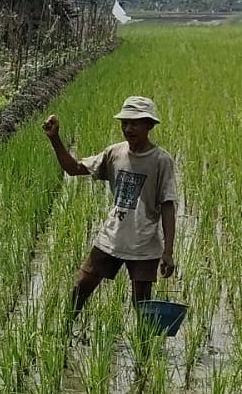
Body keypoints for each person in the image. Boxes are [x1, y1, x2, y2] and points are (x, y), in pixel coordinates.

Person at [44, 95, 178, 314]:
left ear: (150, 125)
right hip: (112, 237)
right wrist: (55, 139)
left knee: (142, 306)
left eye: (135, 123)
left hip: (144, 244)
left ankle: (143, 348)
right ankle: (64, 331)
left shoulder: (161, 161)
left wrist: (168, 251)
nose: (128, 128)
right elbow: (74, 169)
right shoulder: (115, 153)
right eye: (125, 122)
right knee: (82, 285)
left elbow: (167, 205)